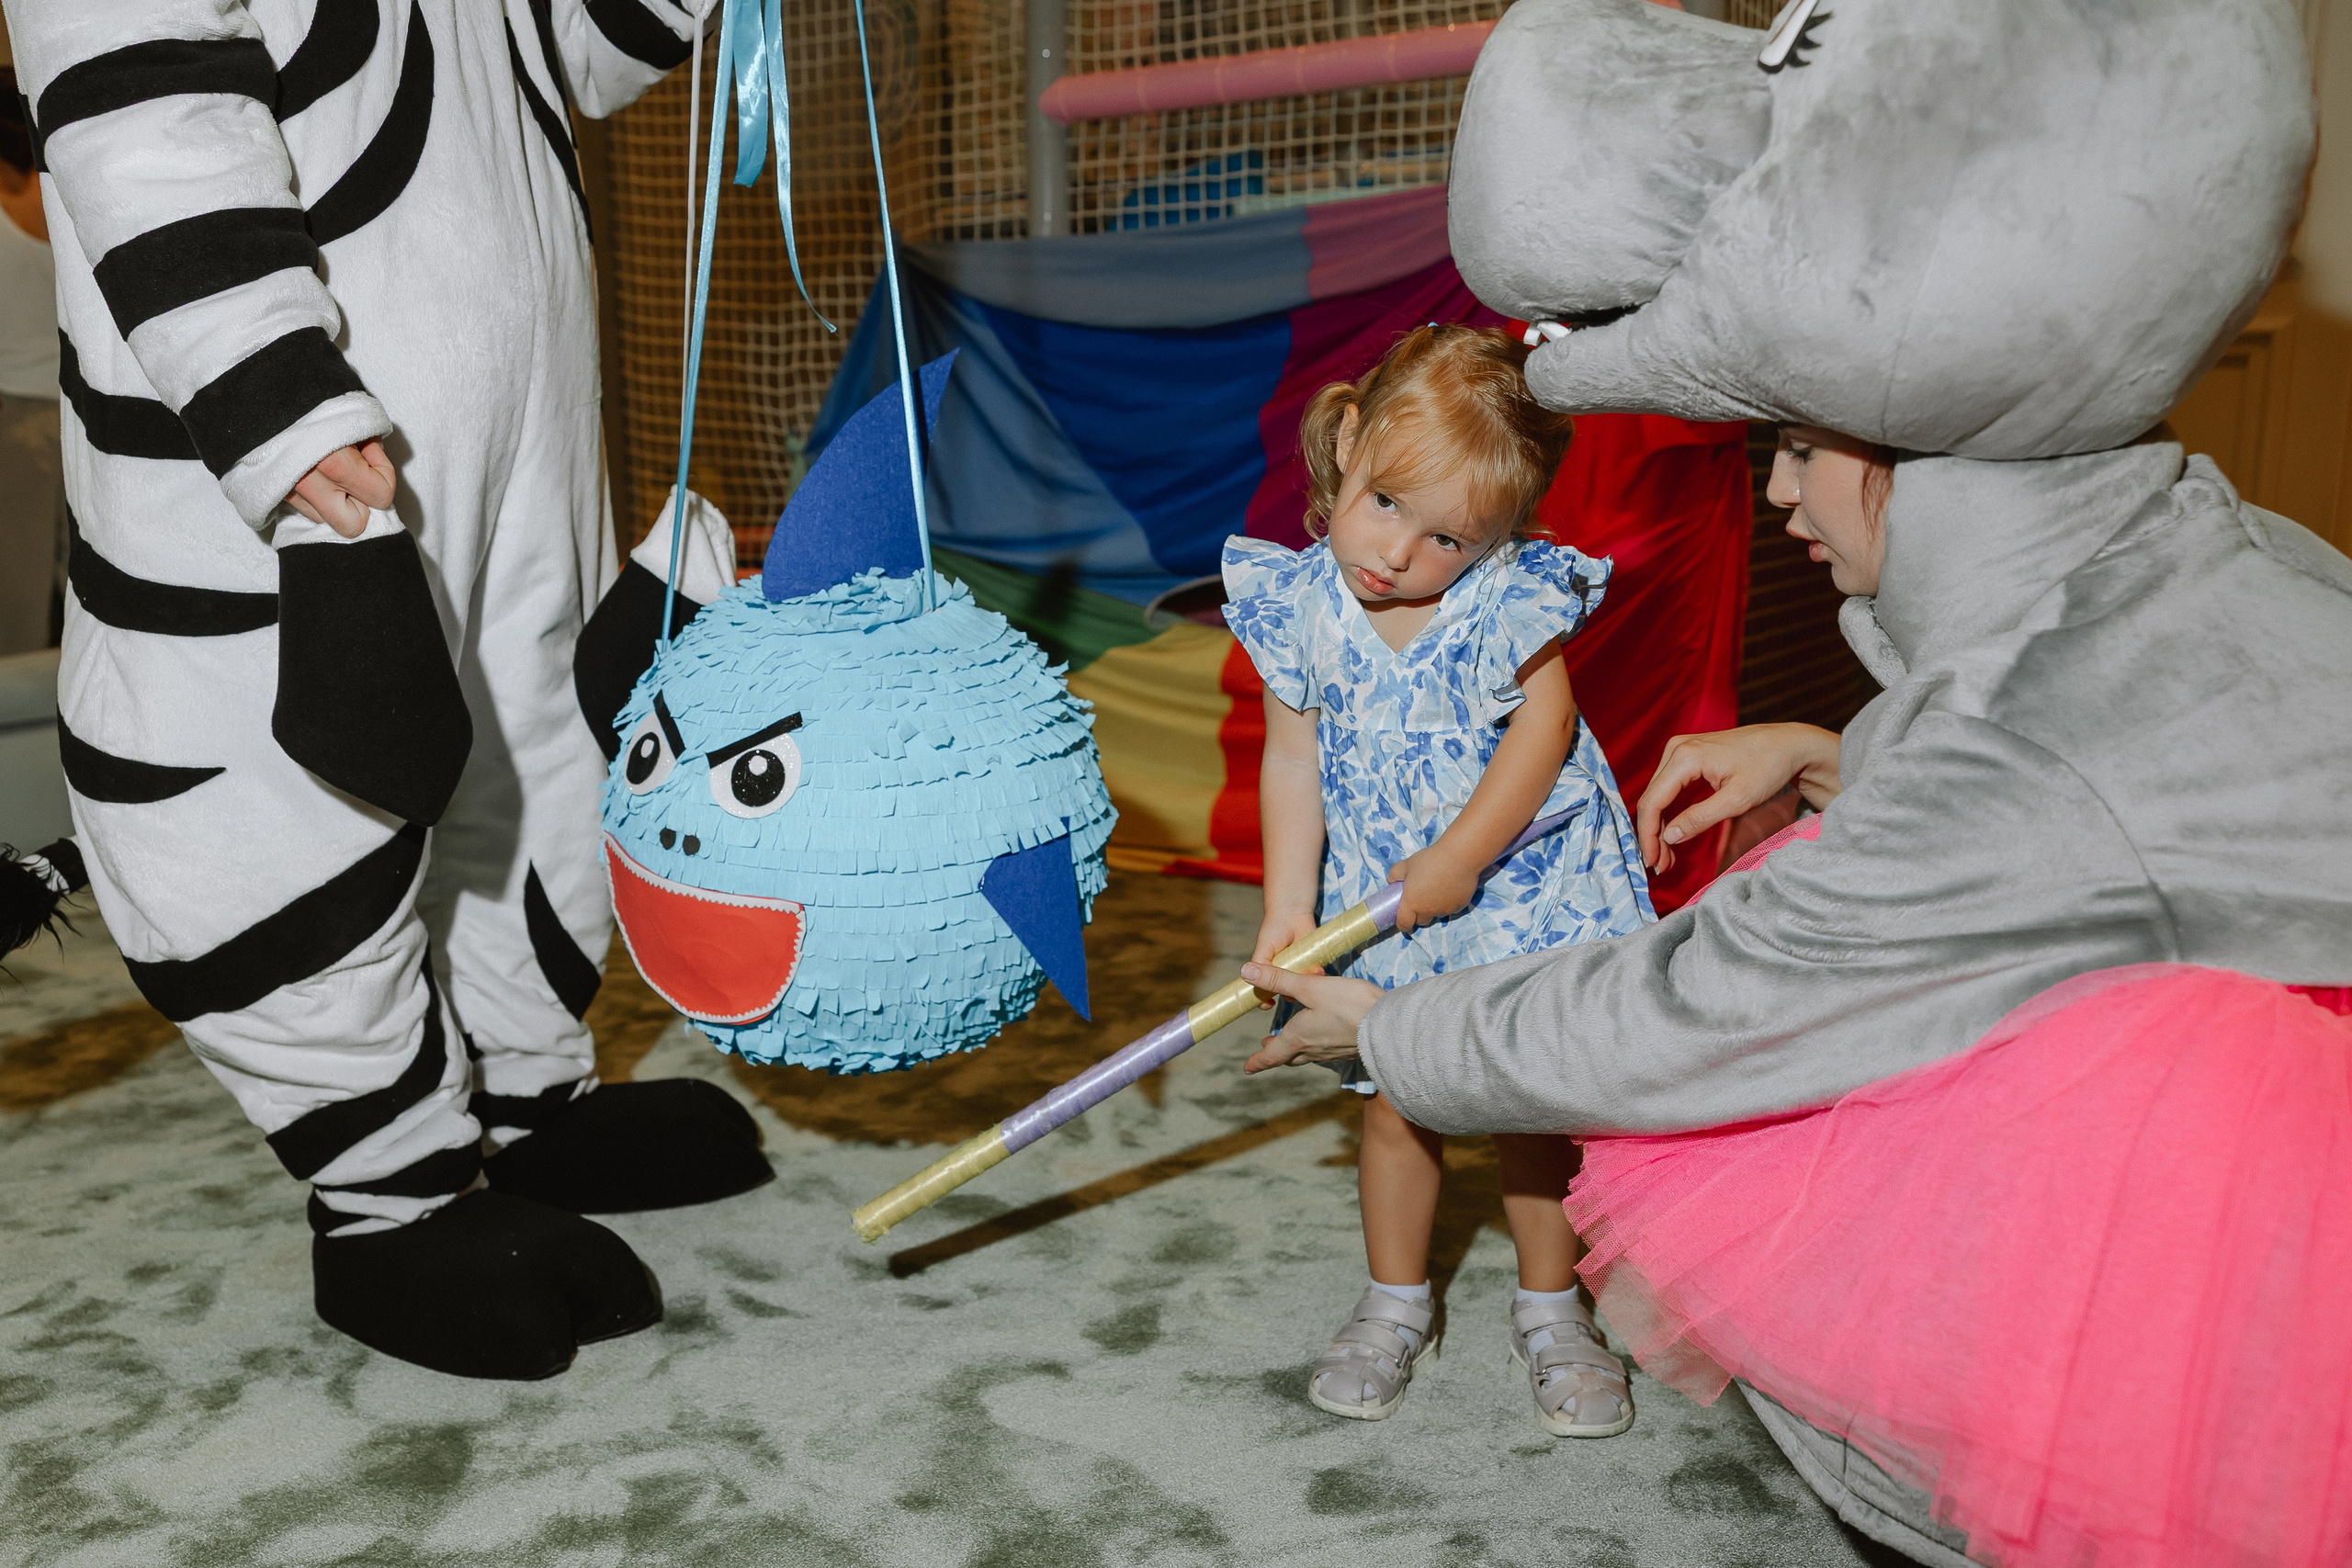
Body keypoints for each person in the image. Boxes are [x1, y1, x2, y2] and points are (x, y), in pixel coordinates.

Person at [1238, 2, 2350, 1563]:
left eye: (1800, 445)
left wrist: (1403, 1028)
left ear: (1893, 449)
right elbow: (2103, 798)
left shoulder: (2005, 755)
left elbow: (1693, 1009)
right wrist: (1839, 750)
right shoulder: (2200, 546)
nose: (1774, 487)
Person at [0, 0, 772, 1382]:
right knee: (286, 781)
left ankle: (531, 1086)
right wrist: (270, 399)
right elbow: (145, 109)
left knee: (543, 734)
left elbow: (577, 54)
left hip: (519, 397)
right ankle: (388, 1190)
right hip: (289, 443)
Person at [1221, 324, 1653, 1437]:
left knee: (1528, 1107)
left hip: (1517, 878)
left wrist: (1461, 857)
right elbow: (1291, 755)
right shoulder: (1297, 603)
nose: (1399, 554)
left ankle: (1554, 1311)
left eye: (1448, 535)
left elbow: (1542, 733)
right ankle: (1392, 1302)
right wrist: (1286, 907)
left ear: (1499, 531)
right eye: (1383, 504)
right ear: (1349, 441)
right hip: (1383, 885)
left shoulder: (1508, 598)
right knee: (1399, 1097)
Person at [0, 71, 61, 654]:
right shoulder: (67, 194)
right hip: (79, 412)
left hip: (14, 417)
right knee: (84, 587)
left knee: (15, 599)